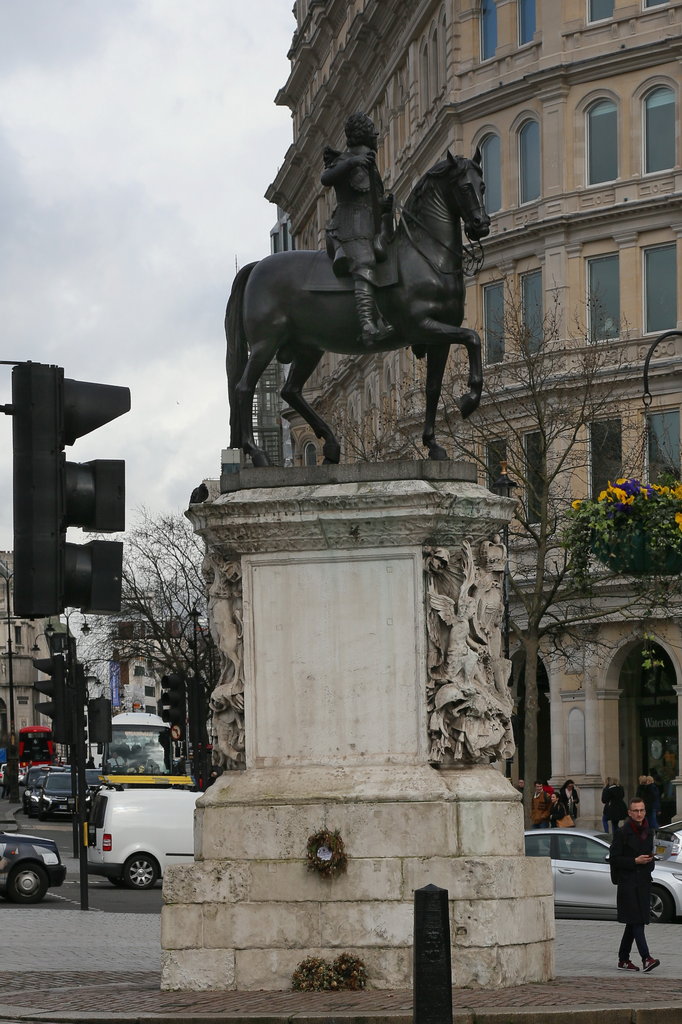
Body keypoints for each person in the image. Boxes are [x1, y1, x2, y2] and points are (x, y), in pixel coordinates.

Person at [321, 111, 395, 349]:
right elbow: (326, 178)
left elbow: (371, 200)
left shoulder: (370, 165)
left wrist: (385, 204)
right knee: (364, 260)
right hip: (348, 227)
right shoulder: (345, 160)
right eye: (372, 130)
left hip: (369, 226)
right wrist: (351, 162)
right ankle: (367, 325)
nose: (376, 134)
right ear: (363, 134)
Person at [609, 797, 660, 973]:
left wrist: (650, 861)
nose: (639, 814)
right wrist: (634, 861)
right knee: (637, 921)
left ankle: (623, 959)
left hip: (643, 882)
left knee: (633, 923)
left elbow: (649, 857)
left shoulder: (649, 831)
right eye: (635, 811)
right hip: (628, 883)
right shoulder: (622, 832)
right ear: (629, 813)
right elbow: (614, 859)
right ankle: (646, 958)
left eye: (642, 810)